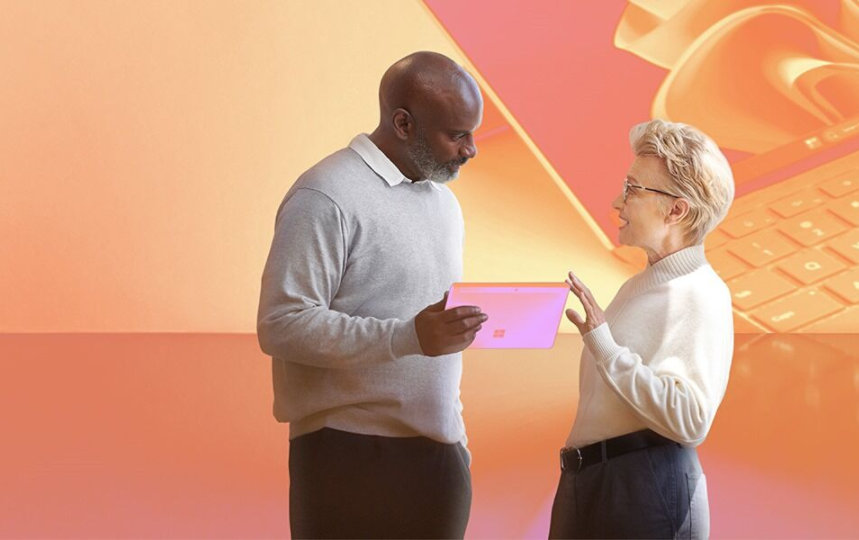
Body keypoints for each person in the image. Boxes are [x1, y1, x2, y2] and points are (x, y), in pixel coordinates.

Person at [256, 51, 486, 539]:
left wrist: (457, 445)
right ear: (403, 123)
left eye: (473, 133)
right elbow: (282, 323)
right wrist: (407, 336)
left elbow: (430, 345)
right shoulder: (326, 194)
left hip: (439, 459)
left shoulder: (445, 204)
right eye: (457, 134)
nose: (471, 150)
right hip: (347, 457)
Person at [549, 119, 735, 539]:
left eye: (633, 188)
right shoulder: (638, 286)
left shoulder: (701, 294)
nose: (618, 200)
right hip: (595, 483)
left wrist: (605, 346)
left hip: (642, 489)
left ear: (676, 209)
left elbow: (691, 420)